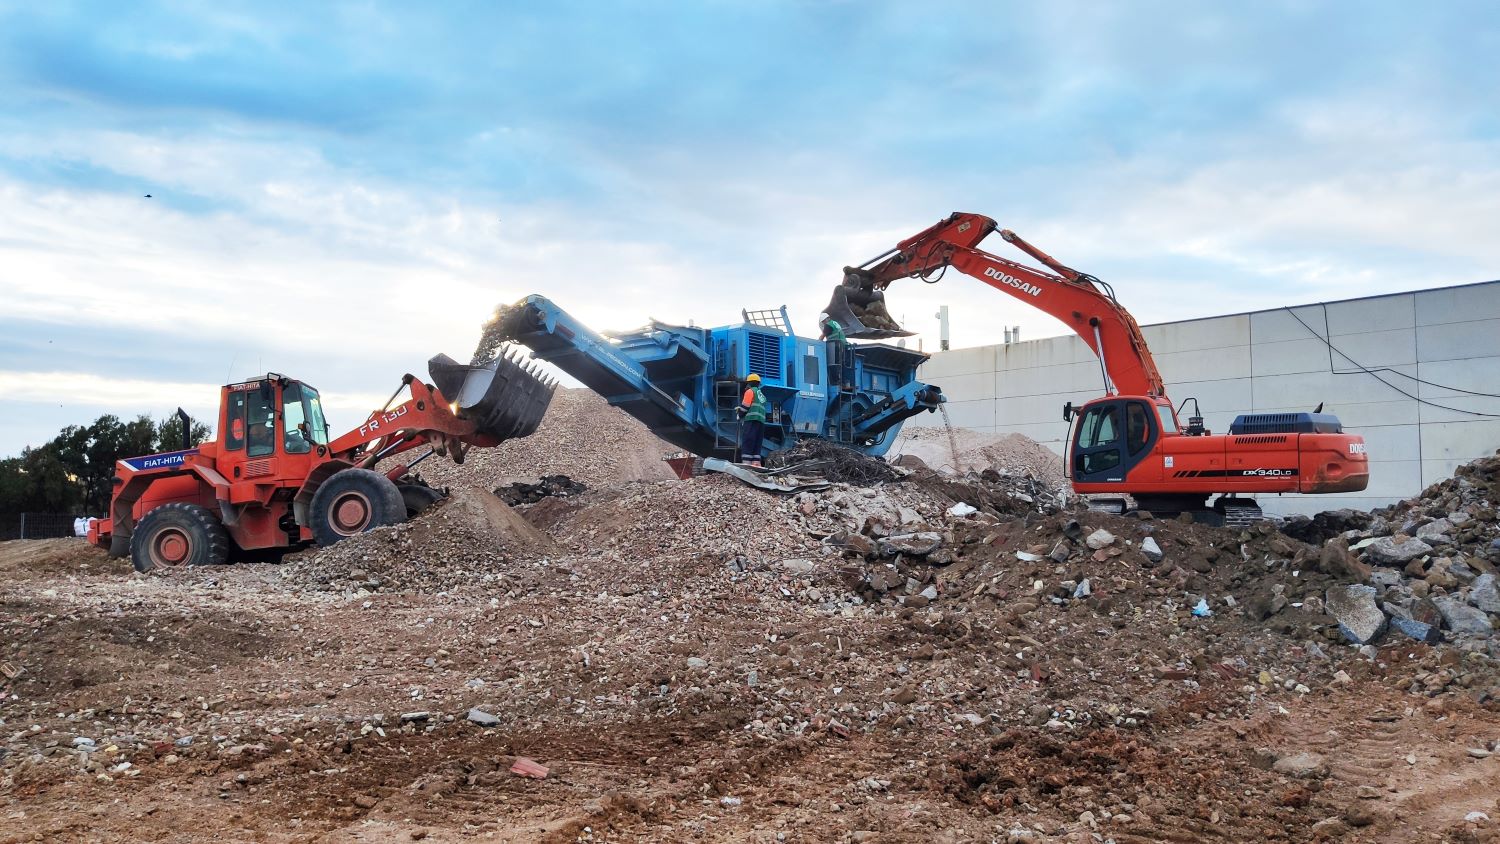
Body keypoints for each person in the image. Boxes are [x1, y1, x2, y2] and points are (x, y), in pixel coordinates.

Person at [737, 372, 766, 467]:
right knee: (757, 441)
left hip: (751, 420)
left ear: (750, 383)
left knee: (748, 440)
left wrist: (739, 414)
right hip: (761, 422)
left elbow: (745, 407)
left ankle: (746, 463)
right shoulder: (761, 394)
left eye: (748, 383)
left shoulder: (750, 392)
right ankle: (756, 462)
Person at [820, 313, 850, 391]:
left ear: (825, 320)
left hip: (835, 346)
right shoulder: (835, 323)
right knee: (842, 364)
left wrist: (817, 344)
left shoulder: (828, 325)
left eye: (823, 322)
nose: (823, 324)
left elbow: (822, 336)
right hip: (843, 345)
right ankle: (846, 383)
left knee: (834, 364)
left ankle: (836, 382)